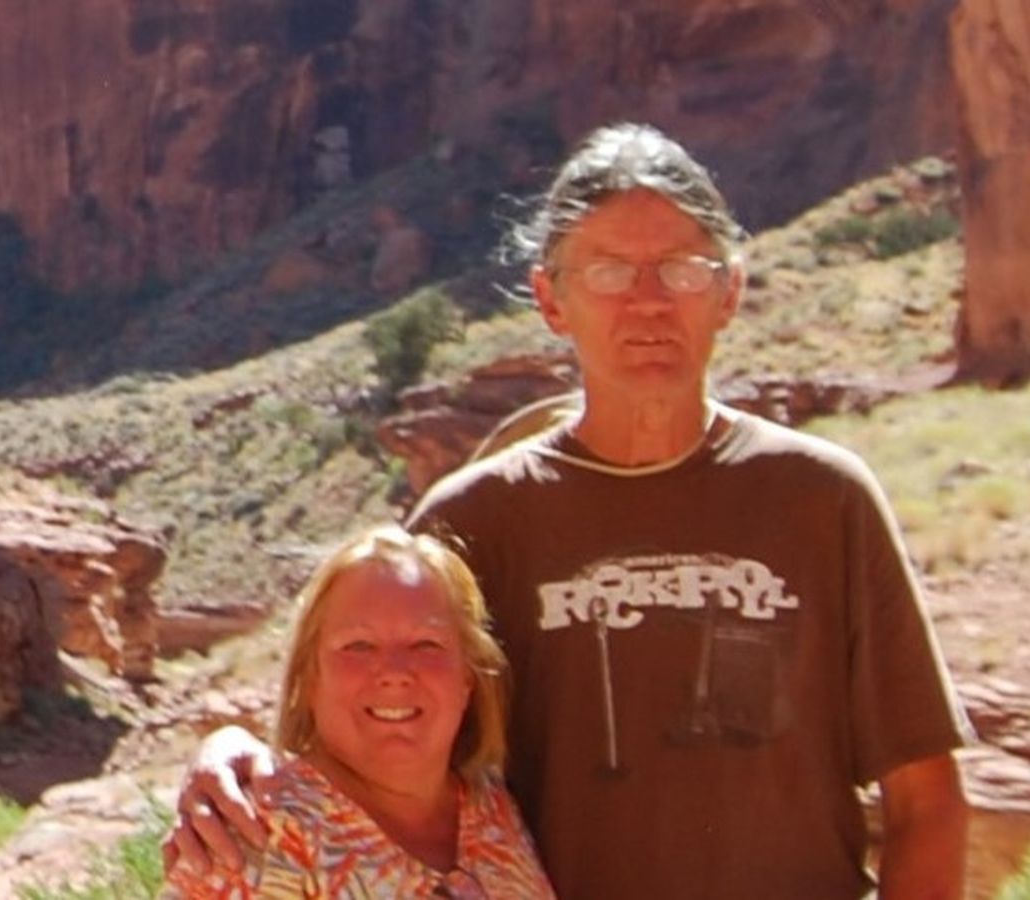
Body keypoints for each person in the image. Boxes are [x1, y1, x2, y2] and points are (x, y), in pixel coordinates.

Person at [166, 123, 972, 898]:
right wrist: (231, 753)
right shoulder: (477, 520)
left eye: (683, 269)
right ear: (551, 299)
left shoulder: (822, 497)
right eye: (609, 272)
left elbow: (926, 800)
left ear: (730, 291)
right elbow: (366, 721)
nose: (649, 301)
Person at [161, 525, 554, 898]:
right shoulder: (258, 836)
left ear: (468, 676)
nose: (395, 673)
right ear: (310, 677)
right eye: (359, 646)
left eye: (426, 644)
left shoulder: (493, 809)